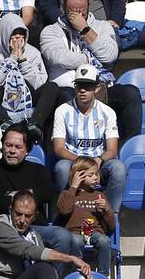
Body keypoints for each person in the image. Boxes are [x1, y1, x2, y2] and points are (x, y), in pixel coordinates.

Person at [40, 0, 142, 141]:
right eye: (72, 10)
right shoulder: (50, 31)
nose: (78, 14)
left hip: (100, 87)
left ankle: (128, 147)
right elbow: (57, 57)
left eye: (82, 10)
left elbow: (109, 56)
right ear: (63, 8)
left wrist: (85, 29)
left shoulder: (103, 27)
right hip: (69, 88)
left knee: (131, 93)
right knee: (64, 94)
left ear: (88, 6)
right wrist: (88, 60)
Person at [51, 64, 129, 214]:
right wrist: (81, 161)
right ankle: (62, 213)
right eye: (79, 85)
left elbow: (112, 150)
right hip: (73, 162)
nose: (82, 90)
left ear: (97, 88)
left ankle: (110, 215)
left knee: (118, 168)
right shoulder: (62, 111)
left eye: (87, 86)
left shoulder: (108, 112)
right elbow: (59, 148)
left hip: (98, 162)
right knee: (61, 167)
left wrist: (98, 161)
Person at [0, 15, 54, 135]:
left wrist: (22, 60)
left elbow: (38, 84)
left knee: (52, 87)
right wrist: (11, 59)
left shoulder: (33, 53)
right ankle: (5, 122)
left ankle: (34, 123)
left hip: (28, 94)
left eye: (22, 35)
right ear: (5, 35)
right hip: (3, 93)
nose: (18, 40)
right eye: (14, 35)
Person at [55, 156, 115, 275]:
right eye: (91, 174)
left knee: (104, 240)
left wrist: (106, 210)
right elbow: (64, 210)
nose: (95, 178)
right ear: (79, 175)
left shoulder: (99, 195)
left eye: (96, 174)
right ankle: (76, 272)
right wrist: (73, 187)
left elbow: (111, 227)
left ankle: (104, 275)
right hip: (74, 232)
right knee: (76, 241)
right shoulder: (67, 194)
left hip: (95, 232)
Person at [0, 123, 57, 219]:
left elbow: (48, 192)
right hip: (4, 226)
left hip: (36, 227)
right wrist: (29, 194)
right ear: (2, 147)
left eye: (18, 147)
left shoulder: (38, 170)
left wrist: (13, 195)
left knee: (62, 234)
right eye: (8, 145)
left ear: (27, 150)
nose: (12, 151)